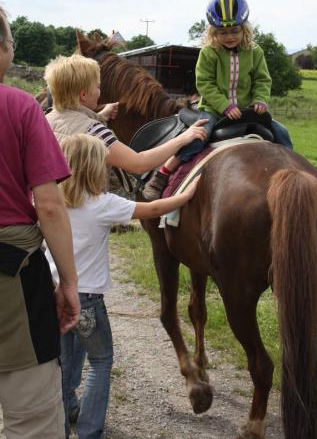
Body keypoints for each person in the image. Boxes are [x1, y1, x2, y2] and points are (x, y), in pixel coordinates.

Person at [45, 133, 201, 439]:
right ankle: (90, 431)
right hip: (87, 301)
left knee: (61, 365)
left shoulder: (47, 202)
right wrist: (186, 195)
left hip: (54, 294)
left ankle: (60, 428)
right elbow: (155, 210)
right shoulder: (104, 204)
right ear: (95, 170)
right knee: (101, 362)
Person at [0, 6, 80, 438]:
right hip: (12, 276)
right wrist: (68, 283)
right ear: (3, 51)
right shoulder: (20, 107)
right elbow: (49, 205)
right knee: (31, 418)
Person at [142, 0, 293, 200]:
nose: (229, 36)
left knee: (281, 131)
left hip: (247, 109)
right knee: (198, 137)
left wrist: (260, 100)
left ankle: (296, 173)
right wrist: (224, 106)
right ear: (213, 32)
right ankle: (164, 172)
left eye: (234, 31)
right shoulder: (209, 53)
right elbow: (204, 83)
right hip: (214, 109)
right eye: (222, 32)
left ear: (244, 29)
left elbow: (262, 80)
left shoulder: (255, 52)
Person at [44, 54, 208, 173]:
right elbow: (138, 164)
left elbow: (71, 125)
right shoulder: (95, 133)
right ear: (83, 95)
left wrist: (101, 117)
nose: (100, 92)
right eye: (97, 87)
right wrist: (182, 139)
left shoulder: (45, 121)